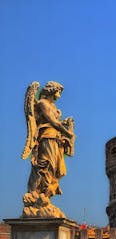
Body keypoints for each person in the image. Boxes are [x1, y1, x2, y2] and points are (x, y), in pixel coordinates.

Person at [22, 81, 75, 218]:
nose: (59, 95)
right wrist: (67, 131)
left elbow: (56, 122)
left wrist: (66, 126)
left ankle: (44, 198)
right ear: (52, 90)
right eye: (58, 91)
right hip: (47, 138)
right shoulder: (42, 104)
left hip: (55, 140)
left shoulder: (52, 106)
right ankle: (38, 197)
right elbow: (52, 122)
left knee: (56, 171)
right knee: (46, 167)